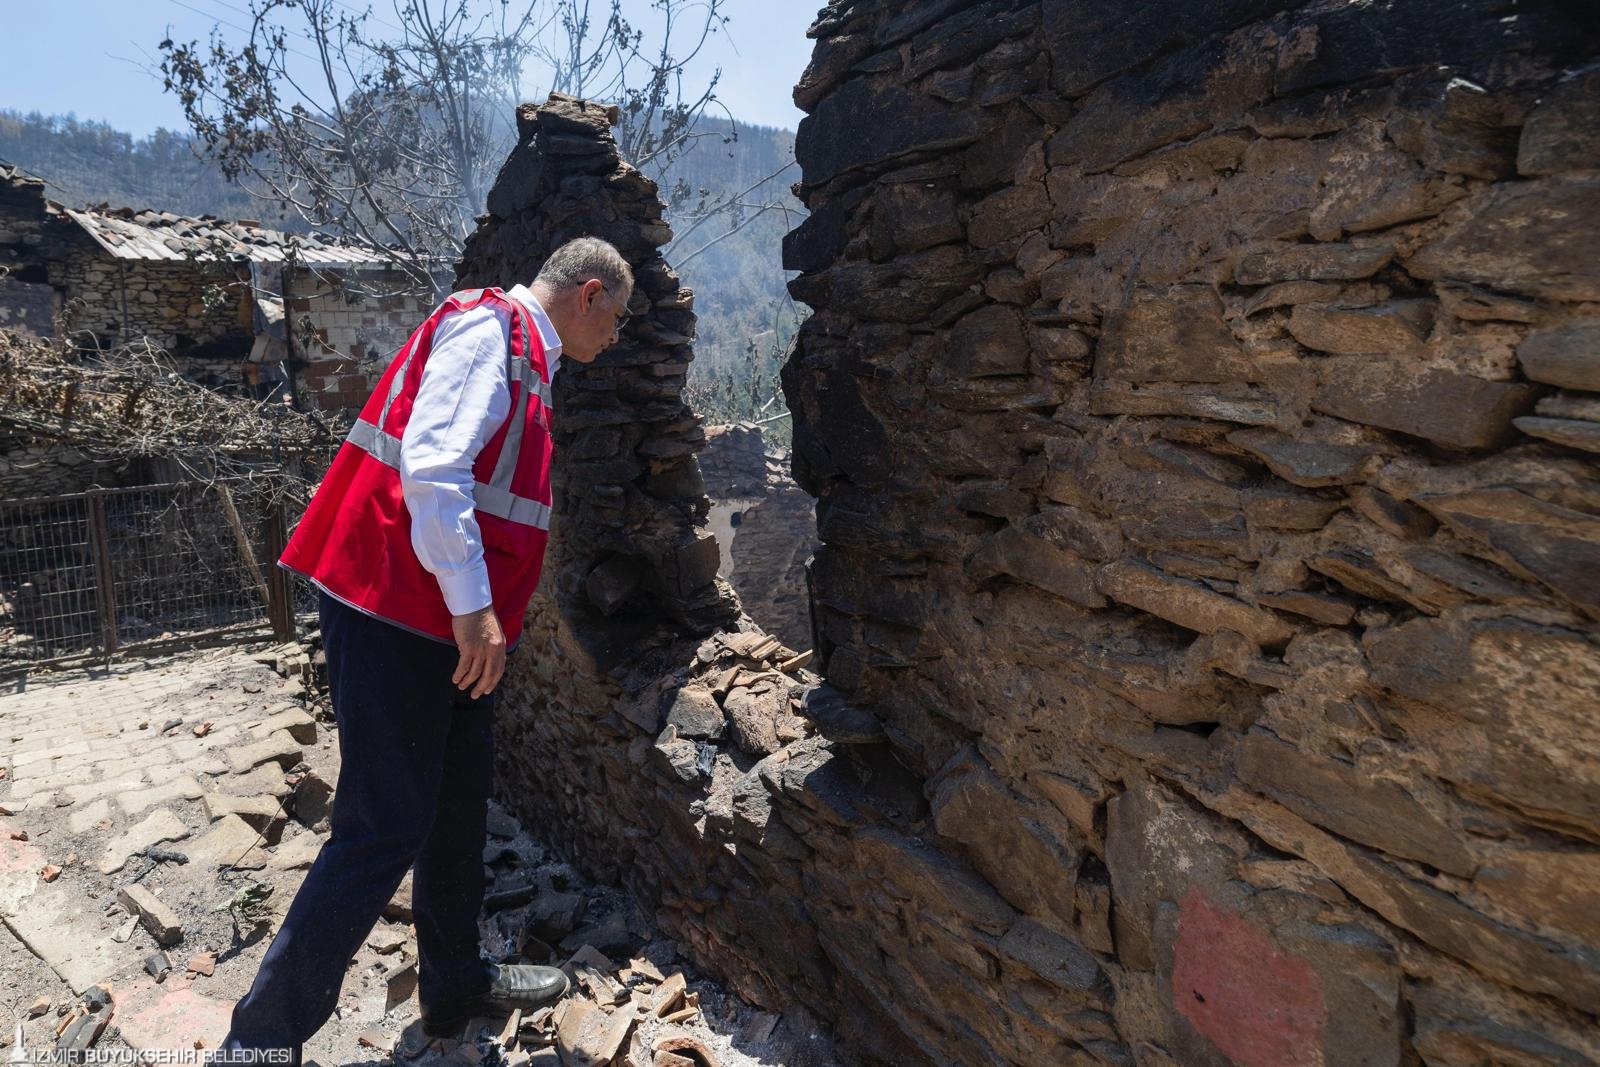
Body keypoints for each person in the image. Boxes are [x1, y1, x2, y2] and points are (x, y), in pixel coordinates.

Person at [219, 238, 634, 1062]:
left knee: (455, 802)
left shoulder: (526, 355)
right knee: (383, 823)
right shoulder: (492, 335)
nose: (616, 337)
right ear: (588, 294)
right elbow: (436, 467)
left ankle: (454, 983)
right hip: (397, 605)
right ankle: (257, 1040)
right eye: (616, 318)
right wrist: (476, 610)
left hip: (435, 616)